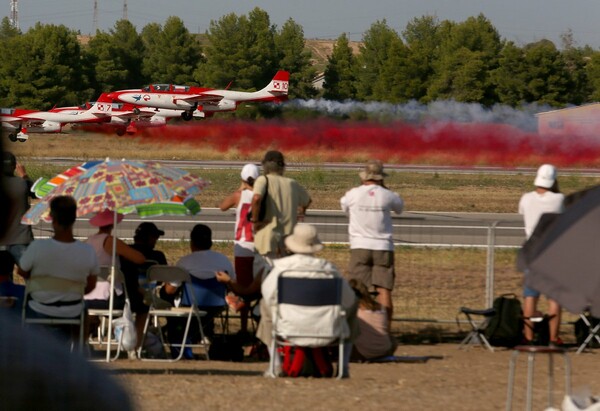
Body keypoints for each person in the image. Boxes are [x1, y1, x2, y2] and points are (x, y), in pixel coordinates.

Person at [242, 224, 356, 377]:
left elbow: (268, 296)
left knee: (265, 306)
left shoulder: (282, 269)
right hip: (327, 328)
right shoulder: (329, 270)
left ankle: (275, 365)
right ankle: (344, 367)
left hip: (288, 327)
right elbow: (349, 300)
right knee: (353, 308)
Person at [18, 196, 98, 335]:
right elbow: (90, 286)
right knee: (84, 309)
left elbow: (22, 271)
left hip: (40, 308)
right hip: (72, 310)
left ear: (52, 219)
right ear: (74, 218)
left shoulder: (37, 247)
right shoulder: (87, 251)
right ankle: (78, 351)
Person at [340, 159, 403, 325]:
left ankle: (359, 327)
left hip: (360, 246)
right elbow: (399, 207)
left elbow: (344, 206)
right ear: (381, 178)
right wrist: (383, 189)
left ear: (363, 177)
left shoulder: (353, 194)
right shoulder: (387, 195)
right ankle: (385, 330)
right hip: (383, 247)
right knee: (384, 290)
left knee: (357, 289)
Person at [518, 164, 565, 345]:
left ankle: (528, 337)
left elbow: (523, 211)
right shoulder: (559, 199)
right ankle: (553, 338)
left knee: (530, 296)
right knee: (554, 298)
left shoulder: (526, 199)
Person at [164, 224, 235, 340]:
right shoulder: (224, 260)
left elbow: (169, 290)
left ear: (192, 243)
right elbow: (232, 284)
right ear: (210, 243)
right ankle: (206, 331)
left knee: (166, 293)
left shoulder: (184, 262)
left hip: (190, 304)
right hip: (217, 305)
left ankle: (176, 327)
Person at [219, 163, 260, 335]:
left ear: (243, 179)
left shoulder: (238, 195)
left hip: (242, 248)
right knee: (257, 287)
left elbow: (222, 206)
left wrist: (239, 188)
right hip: (257, 247)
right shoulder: (261, 197)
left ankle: (243, 327)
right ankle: (259, 326)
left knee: (243, 288)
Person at [250, 150, 311, 261]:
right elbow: (306, 201)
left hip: (267, 240)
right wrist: (300, 213)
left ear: (265, 165)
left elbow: (256, 198)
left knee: (265, 275)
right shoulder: (292, 183)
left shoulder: (263, 180)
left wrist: (255, 221)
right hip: (288, 242)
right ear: (282, 166)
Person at [84, 209, 145, 311]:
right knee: (142, 306)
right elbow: (140, 259)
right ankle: (139, 327)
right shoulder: (110, 241)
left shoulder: (88, 241)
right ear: (112, 224)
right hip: (109, 297)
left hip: (88, 295)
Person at [120, 222, 167, 350]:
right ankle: (137, 346)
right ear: (150, 238)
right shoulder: (157, 256)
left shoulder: (125, 252)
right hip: (146, 297)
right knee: (144, 307)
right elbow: (162, 280)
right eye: (155, 238)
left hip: (123, 295)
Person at [0, 151, 35, 268]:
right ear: (14, 166)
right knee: (32, 276)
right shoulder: (23, 184)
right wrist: (24, 175)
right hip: (21, 238)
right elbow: (38, 192)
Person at [348, 279, 396, 361]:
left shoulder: (353, 309)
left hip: (361, 353)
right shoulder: (381, 307)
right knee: (391, 339)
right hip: (385, 350)